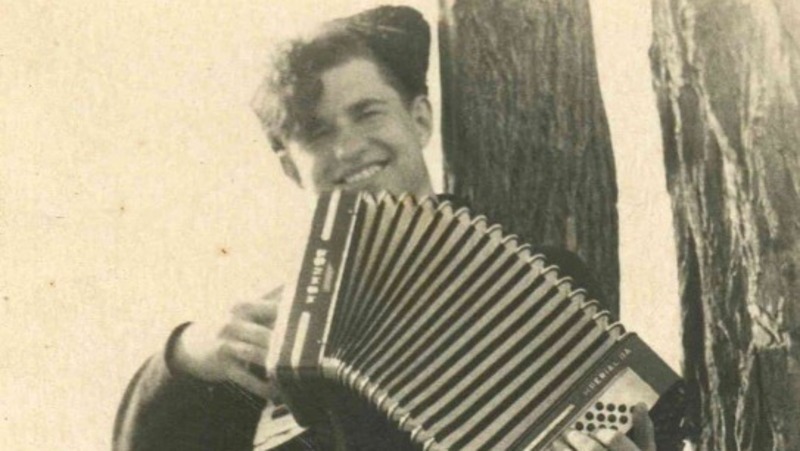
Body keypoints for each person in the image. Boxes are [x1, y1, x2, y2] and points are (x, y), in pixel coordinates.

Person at [114, 6, 658, 450]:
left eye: (367, 112)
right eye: (317, 132)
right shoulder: (277, 335)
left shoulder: (544, 282)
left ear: (419, 120)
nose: (348, 147)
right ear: (290, 169)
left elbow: (636, 423)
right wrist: (185, 357)